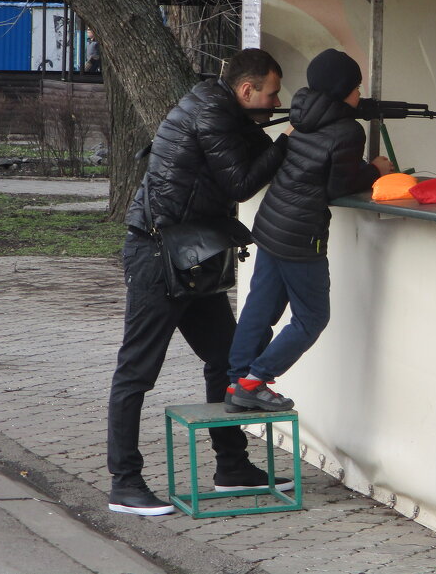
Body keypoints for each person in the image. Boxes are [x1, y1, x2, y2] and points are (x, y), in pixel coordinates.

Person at [107, 48, 289, 516]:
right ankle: (124, 485)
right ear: (247, 90)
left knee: (227, 360)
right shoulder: (213, 112)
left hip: (190, 256)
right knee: (136, 372)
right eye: (271, 94)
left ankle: (231, 468)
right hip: (158, 254)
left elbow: (241, 158)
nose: (275, 102)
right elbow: (240, 183)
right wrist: (292, 140)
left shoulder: (221, 107)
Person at [225, 49, 393, 412]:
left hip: (272, 226)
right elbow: (337, 187)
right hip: (302, 236)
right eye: (356, 87)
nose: (360, 94)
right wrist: (376, 169)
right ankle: (255, 381)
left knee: (260, 306)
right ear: (342, 90)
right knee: (312, 317)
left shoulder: (302, 115)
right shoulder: (348, 131)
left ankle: (236, 380)